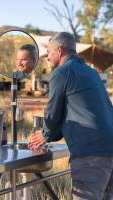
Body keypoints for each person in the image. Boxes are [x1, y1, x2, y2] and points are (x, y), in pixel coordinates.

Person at [28, 32, 113, 200]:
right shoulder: (91, 73)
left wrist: (45, 134)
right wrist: (51, 134)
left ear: (59, 51)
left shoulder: (61, 72)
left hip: (91, 154)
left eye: (49, 53)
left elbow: (52, 112)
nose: (47, 58)